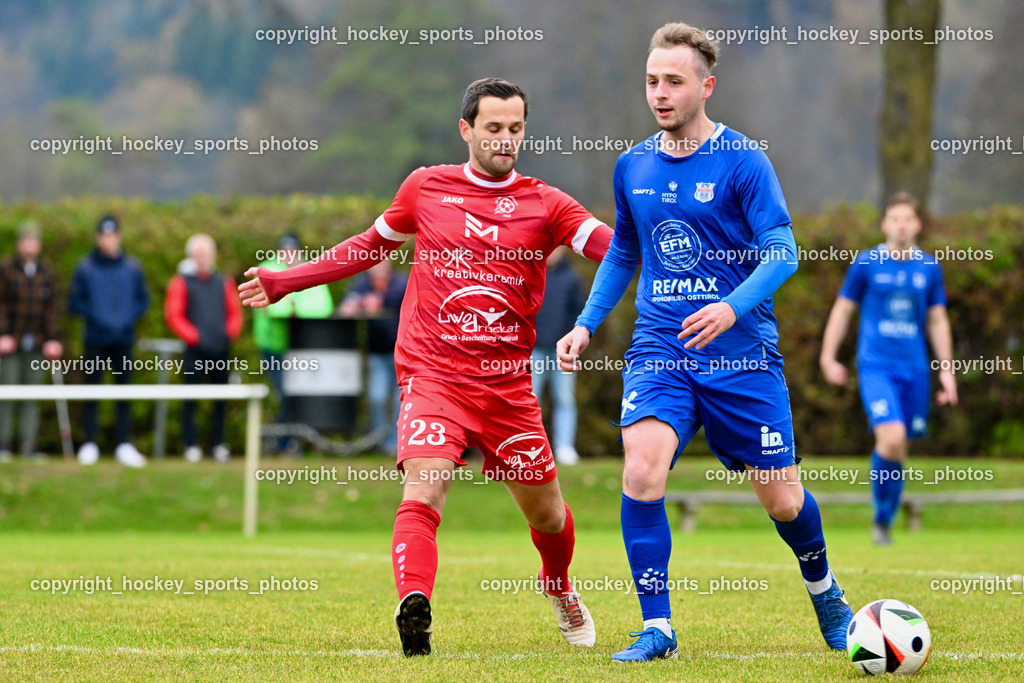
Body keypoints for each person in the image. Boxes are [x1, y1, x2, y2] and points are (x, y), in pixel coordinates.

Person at [239, 77, 611, 657]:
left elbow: (611, 251)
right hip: (434, 374)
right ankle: (416, 607)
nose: (506, 140)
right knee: (426, 487)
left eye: (515, 129)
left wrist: (678, 265)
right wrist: (287, 280)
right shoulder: (425, 188)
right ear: (466, 130)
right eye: (493, 129)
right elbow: (367, 248)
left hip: (507, 384)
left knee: (548, 513)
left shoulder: (547, 202)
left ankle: (559, 586)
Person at [557, 23, 853, 661]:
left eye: (673, 81)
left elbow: (782, 251)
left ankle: (824, 588)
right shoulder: (632, 164)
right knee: (640, 470)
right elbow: (625, 250)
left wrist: (731, 305)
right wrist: (585, 321)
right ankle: (657, 628)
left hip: (742, 354)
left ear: (706, 86)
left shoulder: (745, 161)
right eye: (651, 81)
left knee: (782, 499)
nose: (659, 94)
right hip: (661, 346)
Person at [820, 192, 957, 546]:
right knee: (891, 438)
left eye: (907, 219)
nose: (901, 225)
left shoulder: (928, 267)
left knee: (900, 448)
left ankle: (885, 521)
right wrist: (828, 355)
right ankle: (881, 518)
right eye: (894, 218)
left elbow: (937, 320)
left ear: (917, 225)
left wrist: (946, 370)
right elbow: (843, 310)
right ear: (884, 224)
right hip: (875, 366)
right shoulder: (866, 263)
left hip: (914, 369)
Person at [68, 214, 149, 468]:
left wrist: (125, 319)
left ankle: (123, 443)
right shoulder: (85, 267)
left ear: (119, 237)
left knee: (123, 392)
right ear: (97, 238)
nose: (108, 240)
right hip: (95, 338)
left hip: (123, 339)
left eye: (112, 235)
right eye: (104, 235)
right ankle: (89, 442)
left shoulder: (132, 267)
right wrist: (98, 317)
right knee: (92, 391)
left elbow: (142, 300)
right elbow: (75, 302)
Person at [252, 232, 333, 453]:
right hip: (274, 347)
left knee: (298, 395)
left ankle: (293, 442)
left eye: (293, 249)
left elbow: (323, 307)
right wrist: (292, 306)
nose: (289, 254)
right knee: (285, 393)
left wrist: (293, 305)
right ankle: (283, 443)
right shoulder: (267, 269)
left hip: (300, 350)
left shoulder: (307, 269)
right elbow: (273, 307)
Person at [165, 234, 243, 463]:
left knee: (221, 400)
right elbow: (174, 314)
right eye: (198, 255)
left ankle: (218, 444)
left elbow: (234, 313)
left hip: (220, 348)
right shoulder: (182, 282)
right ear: (191, 257)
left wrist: (228, 334)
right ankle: (191, 445)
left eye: (206, 255)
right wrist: (194, 336)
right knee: (190, 397)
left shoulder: (223, 281)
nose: (202, 259)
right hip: (194, 349)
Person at [0, 222, 63, 460]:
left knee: (31, 396)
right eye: (25, 240)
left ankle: (29, 444)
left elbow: (51, 309)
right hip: (10, 343)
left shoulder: (46, 273)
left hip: (36, 343)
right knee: (6, 393)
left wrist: (52, 338)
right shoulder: (6, 269)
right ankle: (3, 445)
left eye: (33, 241)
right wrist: (2, 334)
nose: (29, 245)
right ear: (19, 244)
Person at [339, 260, 408, 455]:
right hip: (376, 352)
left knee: (398, 401)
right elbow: (345, 308)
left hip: (400, 353)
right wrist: (356, 305)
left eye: (382, 262)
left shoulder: (401, 284)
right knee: (376, 397)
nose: (378, 267)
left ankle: (397, 444)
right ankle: (380, 441)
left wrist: (380, 304)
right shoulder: (362, 284)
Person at [531, 247, 584, 465]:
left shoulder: (572, 279)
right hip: (532, 350)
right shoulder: (530, 276)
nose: (550, 253)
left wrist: (569, 343)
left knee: (564, 399)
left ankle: (564, 448)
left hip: (563, 352)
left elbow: (579, 314)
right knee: (530, 400)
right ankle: (531, 448)